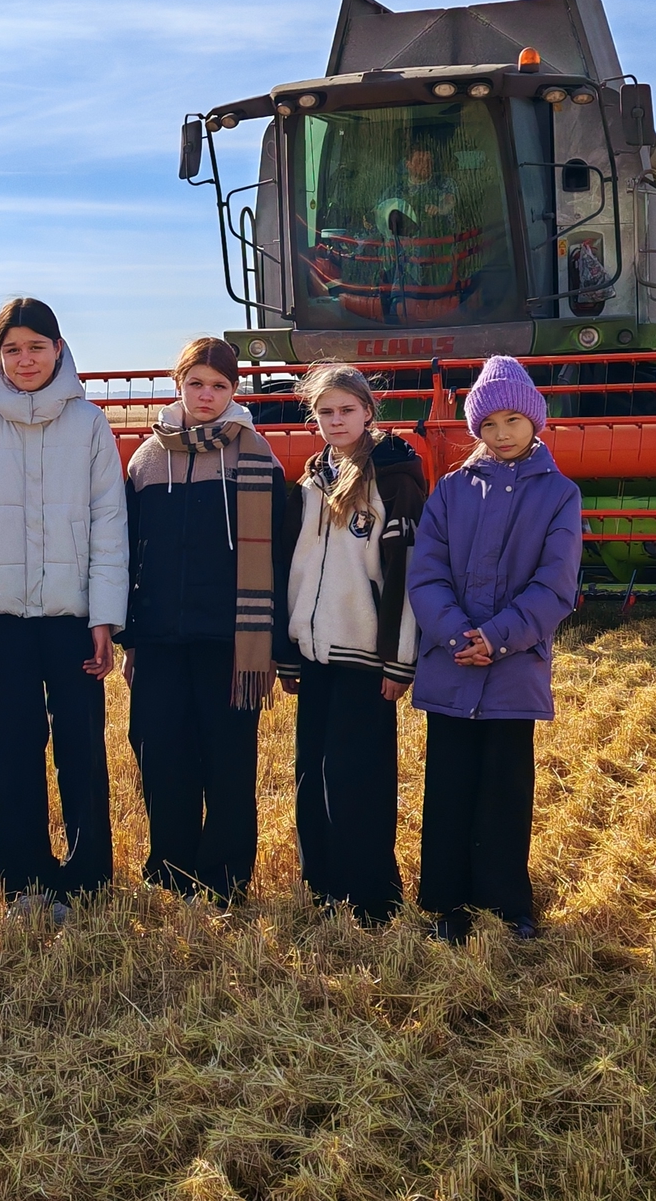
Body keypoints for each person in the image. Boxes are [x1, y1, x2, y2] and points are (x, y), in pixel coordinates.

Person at [0, 297, 128, 911]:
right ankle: (23, 877)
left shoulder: (91, 425)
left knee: (82, 744)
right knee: (10, 748)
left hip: (73, 618)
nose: (25, 359)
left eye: (36, 347)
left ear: (59, 349)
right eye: (13, 349)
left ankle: (88, 875)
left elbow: (109, 521)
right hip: (1, 623)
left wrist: (104, 615)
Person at [406, 354, 583, 943]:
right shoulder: (451, 492)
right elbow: (425, 575)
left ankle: (508, 905)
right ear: (475, 430)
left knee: (506, 788)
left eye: (512, 420)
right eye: (488, 425)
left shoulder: (560, 495)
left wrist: (498, 637)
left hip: (512, 670)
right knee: (449, 785)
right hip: (453, 663)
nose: (501, 434)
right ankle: (446, 904)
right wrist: (461, 637)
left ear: (536, 420)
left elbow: (556, 584)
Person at [117, 337, 286, 902]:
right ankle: (170, 866)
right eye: (196, 383)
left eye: (219, 385)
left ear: (234, 391)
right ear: (178, 384)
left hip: (230, 641)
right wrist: (130, 635)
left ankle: (226, 877)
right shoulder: (146, 459)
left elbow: (278, 553)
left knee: (228, 760)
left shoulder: (256, 455)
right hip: (160, 637)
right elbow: (128, 550)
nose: (206, 395)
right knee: (160, 751)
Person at [277, 362, 426, 925]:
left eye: (347, 409)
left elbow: (405, 576)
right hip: (314, 654)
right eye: (325, 411)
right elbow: (293, 571)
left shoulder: (395, 479)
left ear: (369, 412)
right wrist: (288, 649)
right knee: (312, 774)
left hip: (367, 657)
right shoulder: (310, 482)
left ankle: (372, 897)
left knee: (357, 776)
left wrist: (399, 658)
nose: (336, 420)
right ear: (313, 417)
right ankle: (323, 885)